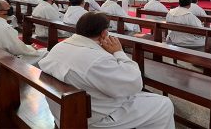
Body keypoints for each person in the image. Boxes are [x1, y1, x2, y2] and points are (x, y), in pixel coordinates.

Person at [38, 12, 174, 128]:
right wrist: (119, 52)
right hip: (93, 119)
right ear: (104, 33)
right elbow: (134, 83)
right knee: (163, 104)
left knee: (144, 99)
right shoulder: (96, 60)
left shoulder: (59, 47)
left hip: (63, 112)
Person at [0, 0, 47, 72]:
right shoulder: (2, 27)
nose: (10, 8)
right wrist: (32, 48)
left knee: (41, 51)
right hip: (2, 64)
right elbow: (17, 49)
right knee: (45, 53)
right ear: (1, 12)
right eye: (8, 6)